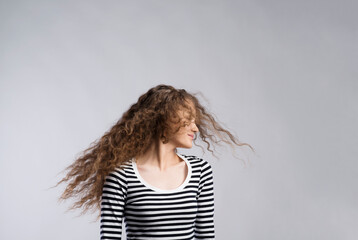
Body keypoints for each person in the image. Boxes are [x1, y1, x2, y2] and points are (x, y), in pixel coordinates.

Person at [56, 84, 254, 239]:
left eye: (195, 121)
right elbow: (109, 237)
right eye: (188, 120)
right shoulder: (120, 176)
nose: (195, 128)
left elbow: (206, 236)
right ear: (163, 120)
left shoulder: (200, 171)